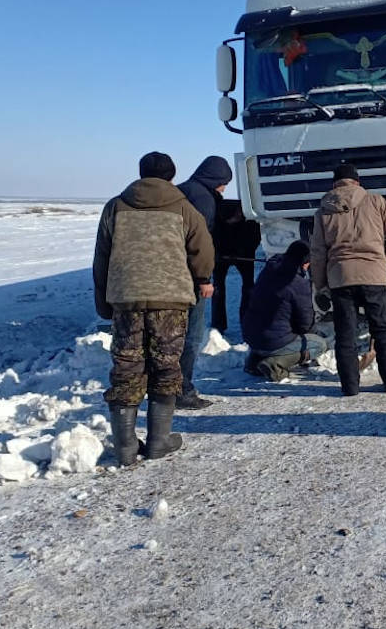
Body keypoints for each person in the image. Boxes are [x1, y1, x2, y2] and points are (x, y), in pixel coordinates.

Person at [92, 152, 214, 466]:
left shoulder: (116, 207)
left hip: (126, 300)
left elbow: (102, 258)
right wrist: (202, 278)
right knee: (166, 365)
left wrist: (105, 302)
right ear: (171, 177)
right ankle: (159, 441)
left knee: (127, 367)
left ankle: (125, 447)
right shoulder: (184, 208)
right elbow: (202, 249)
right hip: (170, 300)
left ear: (141, 173)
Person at [310, 163, 386, 396]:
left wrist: (320, 283)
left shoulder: (323, 210)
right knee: (382, 328)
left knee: (345, 332)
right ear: (357, 182)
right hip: (373, 275)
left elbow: (318, 252)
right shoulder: (375, 201)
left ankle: (350, 386)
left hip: (341, 277)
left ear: (334, 183)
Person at [176, 156, 233, 410]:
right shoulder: (204, 199)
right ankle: (182, 390)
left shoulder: (181, 191)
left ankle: (165, 386)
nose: (224, 189)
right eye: (223, 183)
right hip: (189, 276)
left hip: (168, 274)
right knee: (191, 335)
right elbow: (201, 242)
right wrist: (204, 279)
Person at [242, 240, 329, 381]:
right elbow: (305, 324)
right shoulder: (298, 283)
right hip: (272, 341)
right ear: (305, 263)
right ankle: (274, 365)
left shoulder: (268, 269)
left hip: (251, 336)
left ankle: (254, 360)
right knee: (319, 344)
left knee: (271, 329)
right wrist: (313, 334)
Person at [212, 194, 262, 334]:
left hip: (244, 254)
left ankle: (246, 320)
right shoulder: (218, 217)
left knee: (248, 286)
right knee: (218, 288)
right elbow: (213, 237)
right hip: (222, 254)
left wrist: (244, 251)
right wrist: (219, 253)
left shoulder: (248, 217)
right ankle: (218, 325)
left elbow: (256, 237)